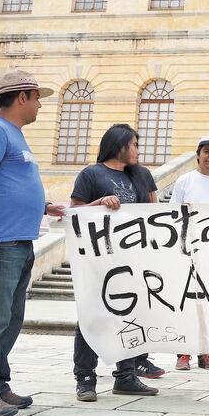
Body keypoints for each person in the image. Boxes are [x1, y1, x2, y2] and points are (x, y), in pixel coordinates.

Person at [0, 71, 65, 416]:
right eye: (37, 98)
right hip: (0, 244)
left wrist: (43, 206)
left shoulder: (15, 136)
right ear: (22, 97)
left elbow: (10, 186)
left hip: (20, 244)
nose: (39, 105)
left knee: (8, 321)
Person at [70, 124, 166, 401]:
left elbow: (154, 215)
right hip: (97, 262)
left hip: (132, 261)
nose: (138, 149)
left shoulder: (142, 176)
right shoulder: (91, 174)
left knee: (130, 316)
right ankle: (85, 378)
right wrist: (99, 203)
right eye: (134, 144)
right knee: (90, 317)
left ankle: (126, 376)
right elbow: (73, 213)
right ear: (119, 144)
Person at [168, 136, 209, 372]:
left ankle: (205, 354)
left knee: (207, 304)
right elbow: (172, 214)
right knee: (185, 302)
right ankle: (182, 353)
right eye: (207, 152)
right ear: (198, 154)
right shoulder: (185, 181)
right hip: (186, 249)